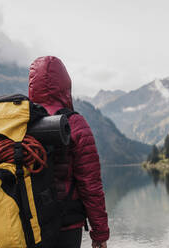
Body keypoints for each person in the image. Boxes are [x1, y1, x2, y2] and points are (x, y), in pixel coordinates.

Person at [28, 56, 109, 248]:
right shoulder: (75, 123)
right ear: (65, 85)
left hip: (29, 222)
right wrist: (100, 234)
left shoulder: (22, 122)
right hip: (66, 225)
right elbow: (91, 185)